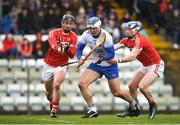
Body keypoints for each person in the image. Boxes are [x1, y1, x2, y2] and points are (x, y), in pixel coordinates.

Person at [76, 17, 140, 118]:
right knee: (82, 84)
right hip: (96, 65)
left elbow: (111, 54)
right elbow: (79, 49)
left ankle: (133, 103)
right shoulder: (86, 34)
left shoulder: (106, 36)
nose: (92, 30)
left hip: (109, 65)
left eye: (94, 28)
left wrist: (102, 58)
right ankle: (92, 110)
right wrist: (80, 58)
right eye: (90, 28)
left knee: (116, 92)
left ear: (99, 26)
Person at [108, 21, 165, 119]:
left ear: (136, 30)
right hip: (146, 65)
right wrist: (102, 53)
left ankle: (152, 105)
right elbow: (113, 48)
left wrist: (116, 60)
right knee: (132, 86)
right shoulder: (126, 40)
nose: (128, 31)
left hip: (156, 64)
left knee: (142, 86)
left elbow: (132, 56)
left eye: (130, 29)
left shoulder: (140, 40)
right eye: (127, 29)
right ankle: (133, 109)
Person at [43, 14, 78, 118]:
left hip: (62, 65)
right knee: (49, 93)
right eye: (66, 23)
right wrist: (59, 48)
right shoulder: (53, 32)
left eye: (70, 24)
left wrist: (67, 49)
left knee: (57, 85)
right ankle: (52, 102)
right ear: (62, 23)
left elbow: (72, 55)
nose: (68, 25)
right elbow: (52, 43)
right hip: (49, 64)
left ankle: (54, 110)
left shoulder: (74, 37)